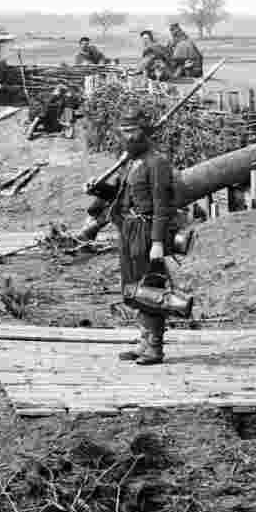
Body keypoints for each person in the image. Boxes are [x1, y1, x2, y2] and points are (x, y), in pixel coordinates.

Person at [92, 107, 175, 365]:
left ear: (145, 132)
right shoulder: (130, 161)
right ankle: (143, 342)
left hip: (147, 230)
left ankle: (155, 347)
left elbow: (163, 206)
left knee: (150, 287)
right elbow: (121, 195)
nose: (127, 137)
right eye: (123, 132)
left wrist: (158, 243)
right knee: (133, 288)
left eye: (132, 131)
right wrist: (99, 188)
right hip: (127, 228)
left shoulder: (157, 162)